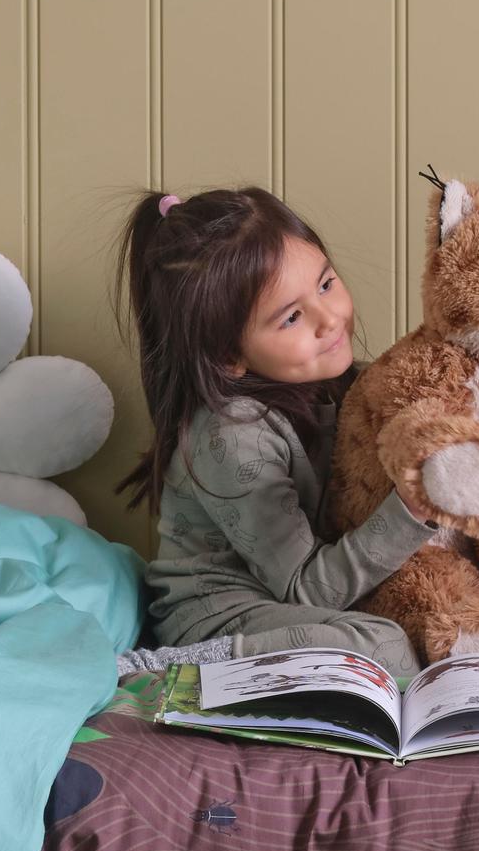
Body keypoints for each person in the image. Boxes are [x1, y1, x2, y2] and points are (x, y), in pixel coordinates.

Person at [113, 186, 439, 679]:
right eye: (291, 317)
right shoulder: (232, 434)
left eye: (326, 284)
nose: (329, 320)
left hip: (295, 602)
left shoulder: (345, 386)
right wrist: (413, 509)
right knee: (383, 646)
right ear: (229, 356)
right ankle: (171, 667)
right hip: (220, 617)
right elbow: (305, 590)